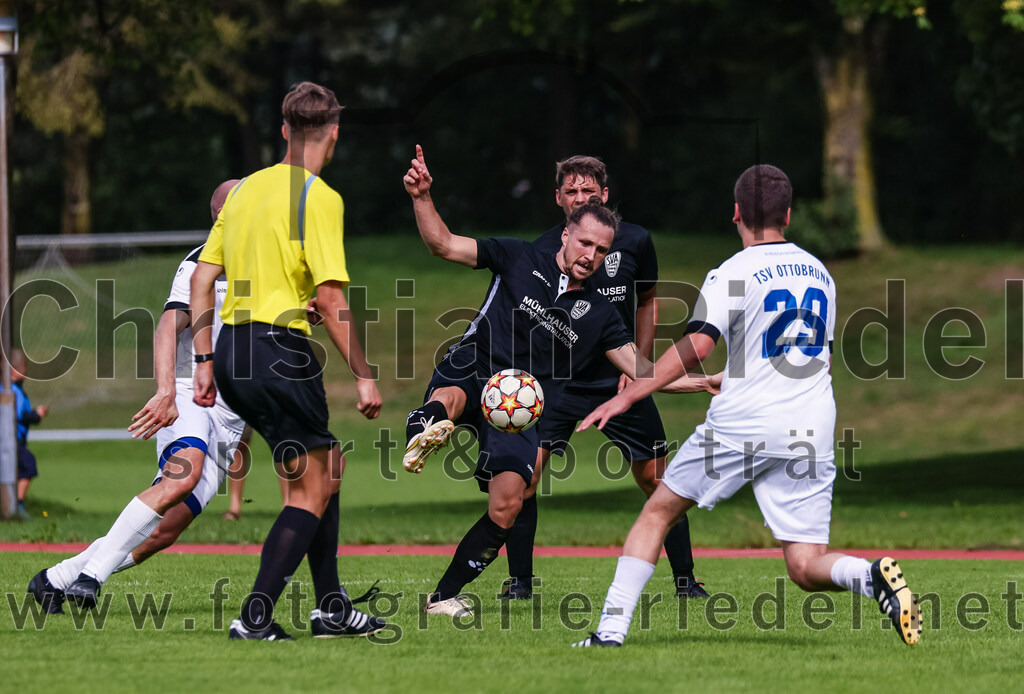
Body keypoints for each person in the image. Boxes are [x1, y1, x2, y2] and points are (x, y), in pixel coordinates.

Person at [571, 165, 921, 648]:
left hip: (746, 423)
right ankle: (869, 576)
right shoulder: (821, 274)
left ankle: (609, 633)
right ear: (789, 215)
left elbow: (698, 344)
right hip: (812, 428)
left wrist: (632, 390)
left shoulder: (733, 271)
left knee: (657, 513)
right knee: (804, 564)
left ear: (736, 212)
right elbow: (824, 359)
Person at [400, 145, 717, 618]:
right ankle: (423, 426)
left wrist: (704, 382)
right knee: (455, 394)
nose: (591, 256)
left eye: (602, 250)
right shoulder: (517, 255)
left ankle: (442, 597)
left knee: (507, 504)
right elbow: (443, 243)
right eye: (585, 244)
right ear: (566, 234)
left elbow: (642, 372)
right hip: (476, 363)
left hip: (521, 402)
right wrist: (422, 196)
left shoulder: (601, 315)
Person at [191, 81, 384, 641]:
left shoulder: (245, 190)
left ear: (283, 130)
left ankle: (331, 608)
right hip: (280, 354)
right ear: (335, 134)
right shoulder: (320, 197)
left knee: (326, 473)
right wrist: (365, 376)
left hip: (232, 352)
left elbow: (205, 279)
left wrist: (203, 360)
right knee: (309, 490)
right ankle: (254, 619)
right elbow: (330, 298)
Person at [27, 180, 251, 613]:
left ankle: (54, 578)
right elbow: (168, 326)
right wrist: (166, 391)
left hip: (232, 412)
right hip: (190, 391)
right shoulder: (201, 264)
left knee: (163, 533)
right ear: (224, 216)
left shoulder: (268, 260)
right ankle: (91, 579)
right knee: (182, 477)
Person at [499, 155, 709, 601]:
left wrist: (639, 372)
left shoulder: (634, 241)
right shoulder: (538, 250)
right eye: (571, 191)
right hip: (558, 384)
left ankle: (686, 581)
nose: (580, 197)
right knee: (526, 476)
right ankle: (519, 583)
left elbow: (648, 300)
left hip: (620, 379)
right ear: (559, 200)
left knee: (657, 478)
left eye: (588, 190)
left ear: (604, 194)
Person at [1, 349, 49, 520]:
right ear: (10, 370)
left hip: (12, 439)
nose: (25, 371)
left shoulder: (13, 389)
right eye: (21, 368)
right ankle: (18, 504)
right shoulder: (13, 390)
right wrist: (38, 414)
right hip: (12, 440)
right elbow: (21, 416)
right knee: (28, 464)